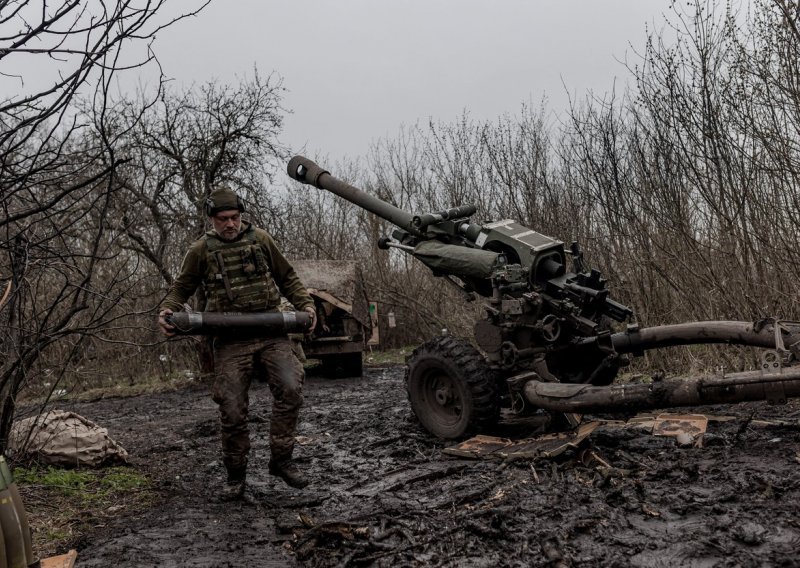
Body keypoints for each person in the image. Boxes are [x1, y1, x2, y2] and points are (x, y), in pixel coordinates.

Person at [158, 186, 317, 500]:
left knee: (290, 387)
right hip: (231, 340)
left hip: (272, 331)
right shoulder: (201, 250)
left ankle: (281, 460)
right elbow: (182, 288)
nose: (229, 224)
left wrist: (306, 305)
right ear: (212, 220)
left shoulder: (261, 240)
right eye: (222, 219)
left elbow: (288, 278)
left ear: (241, 215)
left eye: (234, 218)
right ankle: (236, 477)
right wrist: (168, 310)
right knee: (231, 408)